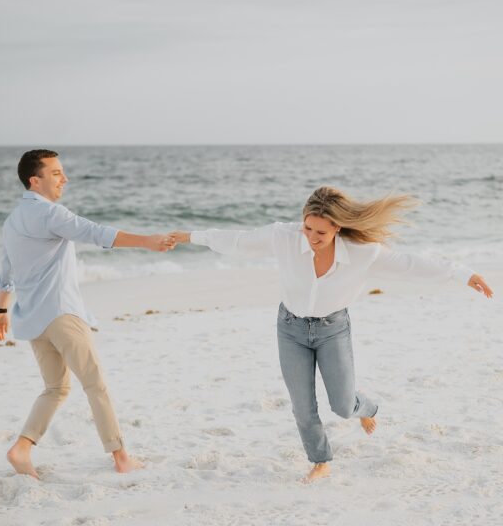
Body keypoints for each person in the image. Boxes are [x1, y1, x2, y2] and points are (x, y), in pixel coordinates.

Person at [167, 186, 493, 482]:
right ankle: (320, 460)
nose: (311, 236)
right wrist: (189, 236)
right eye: (307, 228)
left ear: (338, 227)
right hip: (290, 328)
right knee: (303, 406)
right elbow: (239, 241)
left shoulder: (363, 252)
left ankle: (367, 408)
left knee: (342, 405)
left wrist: (463, 274)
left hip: (332, 329)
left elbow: (410, 264)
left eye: (321, 231)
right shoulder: (285, 236)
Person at [0, 149, 173, 478]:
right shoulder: (50, 213)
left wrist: (1, 308)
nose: (65, 179)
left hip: (32, 318)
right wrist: (147, 241)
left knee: (56, 389)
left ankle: (21, 449)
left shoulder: (12, 220)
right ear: (36, 180)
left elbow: (6, 269)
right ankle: (121, 459)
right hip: (61, 313)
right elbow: (94, 232)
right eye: (57, 173)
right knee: (96, 385)